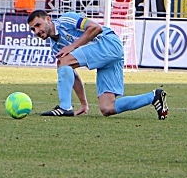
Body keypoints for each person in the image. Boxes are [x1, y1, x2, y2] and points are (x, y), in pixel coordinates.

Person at [27, 10, 168, 119]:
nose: (37, 31)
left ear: (48, 19)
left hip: (107, 42)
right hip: (108, 56)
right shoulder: (56, 47)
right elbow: (72, 75)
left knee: (63, 61)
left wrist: (72, 47)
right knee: (107, 108)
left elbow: (96, 28)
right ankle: (154, 96)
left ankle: (64, 107)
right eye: (33, 29)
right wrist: (83, 103)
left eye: (38, 25)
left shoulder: (66, 20)